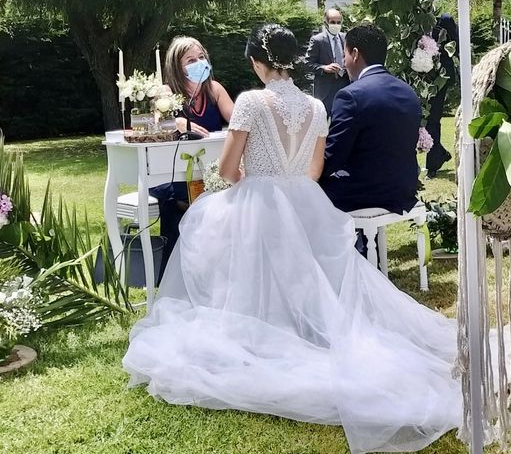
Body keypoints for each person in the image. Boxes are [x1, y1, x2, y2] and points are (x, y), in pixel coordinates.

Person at [123, 23, 462, 454]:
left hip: (260, 199)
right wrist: (287, 187)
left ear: (257, 62)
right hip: (304, 199)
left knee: (202, 230)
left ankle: (259, 329)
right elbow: (315, 171)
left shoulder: (249, 101)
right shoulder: (317, 106)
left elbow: (228, 171)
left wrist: (253, 182)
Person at [149, 36, 234, 280]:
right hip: (175, 175)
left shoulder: (214, 89)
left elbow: (236, 118)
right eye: (191, 60)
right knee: (177, 199)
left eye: (201, 58)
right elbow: (157, 121)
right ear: (177, 65)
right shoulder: (166, 92)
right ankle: (176, 274)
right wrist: (176, 121)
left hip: (211, 172)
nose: (198, 63)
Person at [319, 23, 422, 216]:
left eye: (344, 56)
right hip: (404, 189)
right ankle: (363, 244)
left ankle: (345, 246)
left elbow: (332, 157)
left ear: (355, 54)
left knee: (306, 192)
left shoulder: (350, 95)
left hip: (363, 192)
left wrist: (305, 175)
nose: (344, 63)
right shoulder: (408, 91)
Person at [425, 14, 458, 179]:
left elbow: (455, 47)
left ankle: (432, 165)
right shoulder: (416, 19)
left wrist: (437, 54)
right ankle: (441, 153)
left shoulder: (444, 20)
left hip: (441, 75)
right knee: (424, 119)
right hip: (421, 74)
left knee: (433, 118)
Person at [305, 8, 350, 116]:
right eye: (333, 22)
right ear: (326, 23)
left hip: (344, 85)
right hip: (325, 91)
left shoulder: (346, 39)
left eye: (339, 22)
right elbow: (307, 64)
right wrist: (324, 68)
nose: (336, 25)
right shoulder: (318, 40)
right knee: (323, 125)